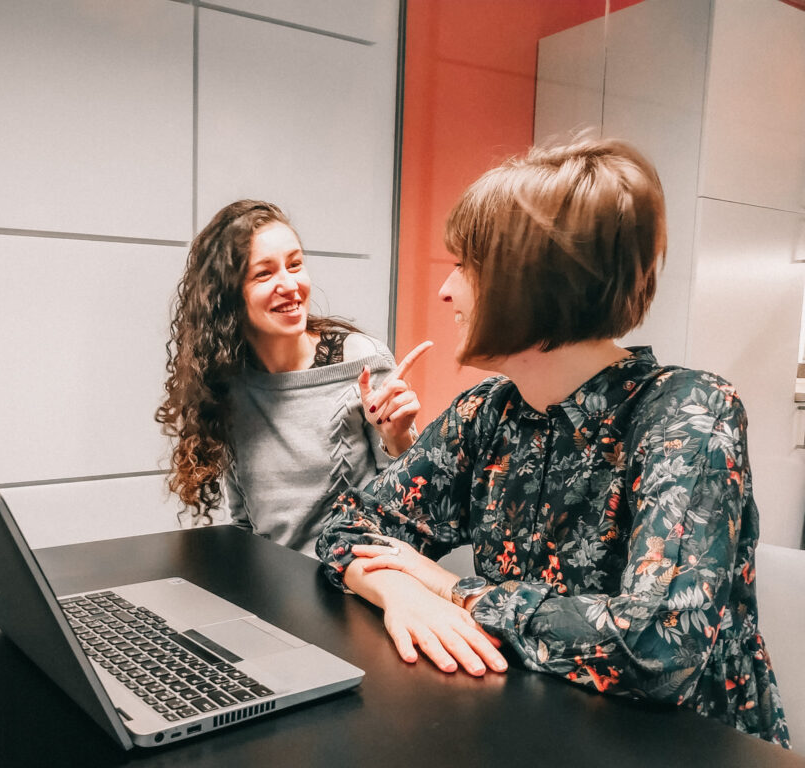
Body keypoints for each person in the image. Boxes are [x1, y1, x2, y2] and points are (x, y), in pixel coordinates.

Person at [316, 138, 791, 747]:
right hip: (527, 727)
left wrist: (453, 590)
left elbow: (657, 647)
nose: (446, 292)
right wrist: (399, 592)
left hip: (684, 747)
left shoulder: (691, 414)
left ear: (528, 286)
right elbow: (348, 527)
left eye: (463, 268)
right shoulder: (489, 411)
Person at [156, 200, 431, 555]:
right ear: (228, 296)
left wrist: (398, 438)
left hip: (357, 584)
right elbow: (245, 523)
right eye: (264, 273)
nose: (290, 284)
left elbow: (411, 510)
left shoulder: (360, 360)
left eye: (295, 264)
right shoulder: (228, 386)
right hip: (272, 588)